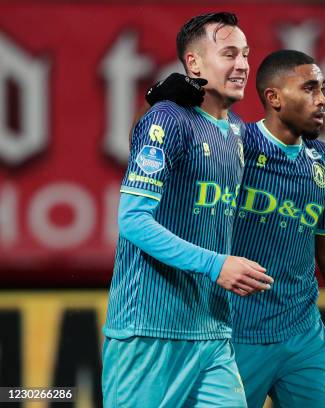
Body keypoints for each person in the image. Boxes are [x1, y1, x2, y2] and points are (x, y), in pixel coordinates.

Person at [146, 50, 325, 407]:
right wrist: (159, 104)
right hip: (235, 335)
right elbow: (150, 145)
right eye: (309, 88)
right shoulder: (236, 142)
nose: (323, 100)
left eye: (323, 89)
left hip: (302, 337)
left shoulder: (322, 161)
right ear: (273, 98)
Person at [102, 12, 272, 408]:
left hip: (212, 334)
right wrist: (216, 265)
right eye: (229, 53)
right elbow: (132, 220)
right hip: (148, 331)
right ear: (193, 63)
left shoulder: (235, 134)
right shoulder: (167, 120)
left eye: (246, 54)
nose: (243, 65)